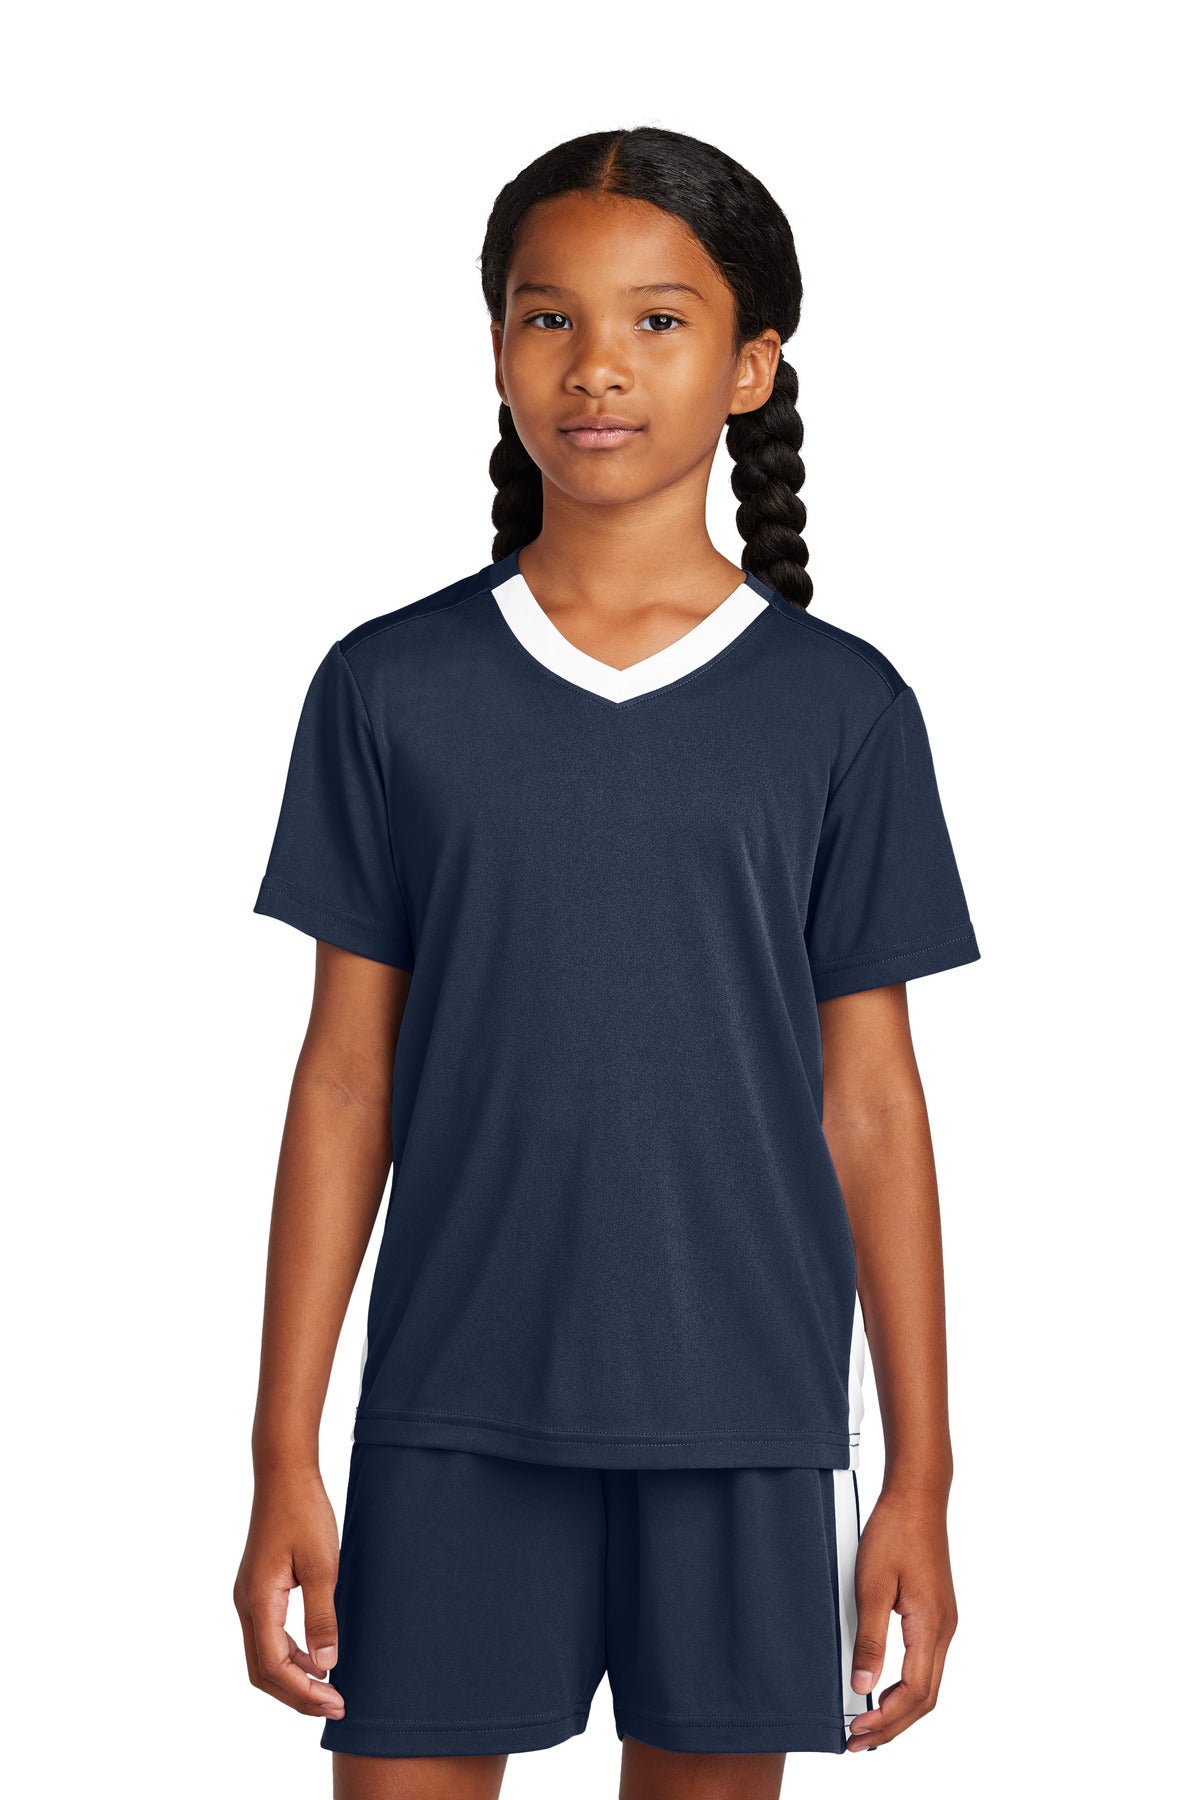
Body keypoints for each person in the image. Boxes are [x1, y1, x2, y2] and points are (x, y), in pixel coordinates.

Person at [233, 125, 981, 1800]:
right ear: (497, 347)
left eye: (657, 320)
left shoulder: (842, 711)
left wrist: (919, 1479)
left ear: (750, 365)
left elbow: (873, 1106)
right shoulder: (389, 689)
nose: (596, 366)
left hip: (743, 1424)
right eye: (547, 316)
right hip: (451, 1409)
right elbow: (346, 1080)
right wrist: (285, 1445)